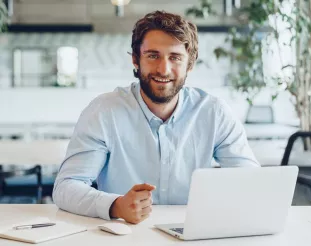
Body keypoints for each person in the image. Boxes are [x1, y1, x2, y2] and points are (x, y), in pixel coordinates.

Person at [53, 10, 259, 225]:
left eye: (175, 57)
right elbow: (66, 187)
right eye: (153, 56)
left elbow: (251, 183)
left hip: (194, 234)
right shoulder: (104, 112)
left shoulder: (214, 112)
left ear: (190, 64)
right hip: (124, 234)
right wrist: (116, 205)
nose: (164, 69)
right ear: (135, 59)